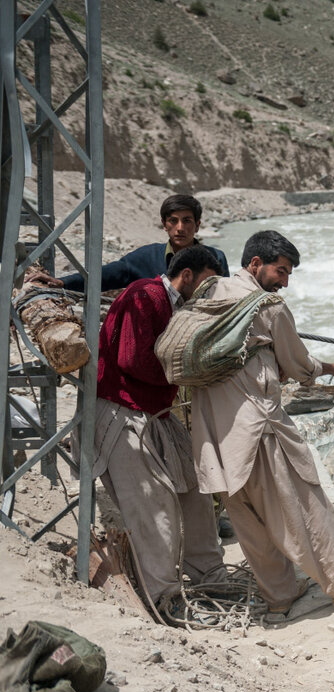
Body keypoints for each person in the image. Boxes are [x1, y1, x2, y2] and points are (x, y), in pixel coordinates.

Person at [188, 230, 334, 614]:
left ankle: (279, 597)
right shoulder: (267, 306)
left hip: (212, 434)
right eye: (281, 271)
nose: (285, 282)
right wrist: (333, 369)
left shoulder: (206, 295)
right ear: (255, 264)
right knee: (308, 505)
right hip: (259, 429)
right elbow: (299, 364)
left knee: (248, 520)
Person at [91, 246, 228, 604]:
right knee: (154, 507)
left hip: (155, 412)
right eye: (206, 284)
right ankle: (164, 597)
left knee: (196, 489)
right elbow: (132, 359)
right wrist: (190, 372)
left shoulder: (176, 305)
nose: (209, 293)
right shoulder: (146, 295)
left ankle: (210, 576)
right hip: (124, 413)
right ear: (187, 276)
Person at [36, 194, 229, 291]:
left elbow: (227, 300)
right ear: (164, 225)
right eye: (173, 221)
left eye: (187, 221)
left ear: (197, 225)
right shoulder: (146, 257)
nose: (180, 228)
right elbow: (109, 274)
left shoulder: (215, 258)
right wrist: (64, 282)